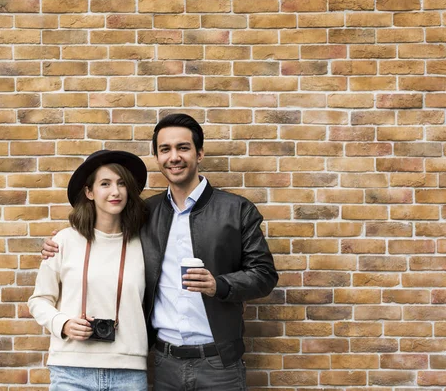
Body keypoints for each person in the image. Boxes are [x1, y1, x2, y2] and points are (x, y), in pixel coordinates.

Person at [42, 114, 278, 390]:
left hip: (219, 362)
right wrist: (62, 240)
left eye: (183, 148)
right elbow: (105, 226)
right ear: (156, 157)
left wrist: (220, 284)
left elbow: (264, 275)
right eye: (165, 150)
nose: (174, 157)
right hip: (165, 362)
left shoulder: (236, 210)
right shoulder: (145, 213)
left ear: (199, 153)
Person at [28, 150, 150, 391]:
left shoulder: (145, 243)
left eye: (122, 184)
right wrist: (62, 323)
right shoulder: (63, 241)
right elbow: (39, 300)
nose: (115, 192)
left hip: (129, 372)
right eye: (105, 184)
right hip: (70, 370)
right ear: (89, 192)